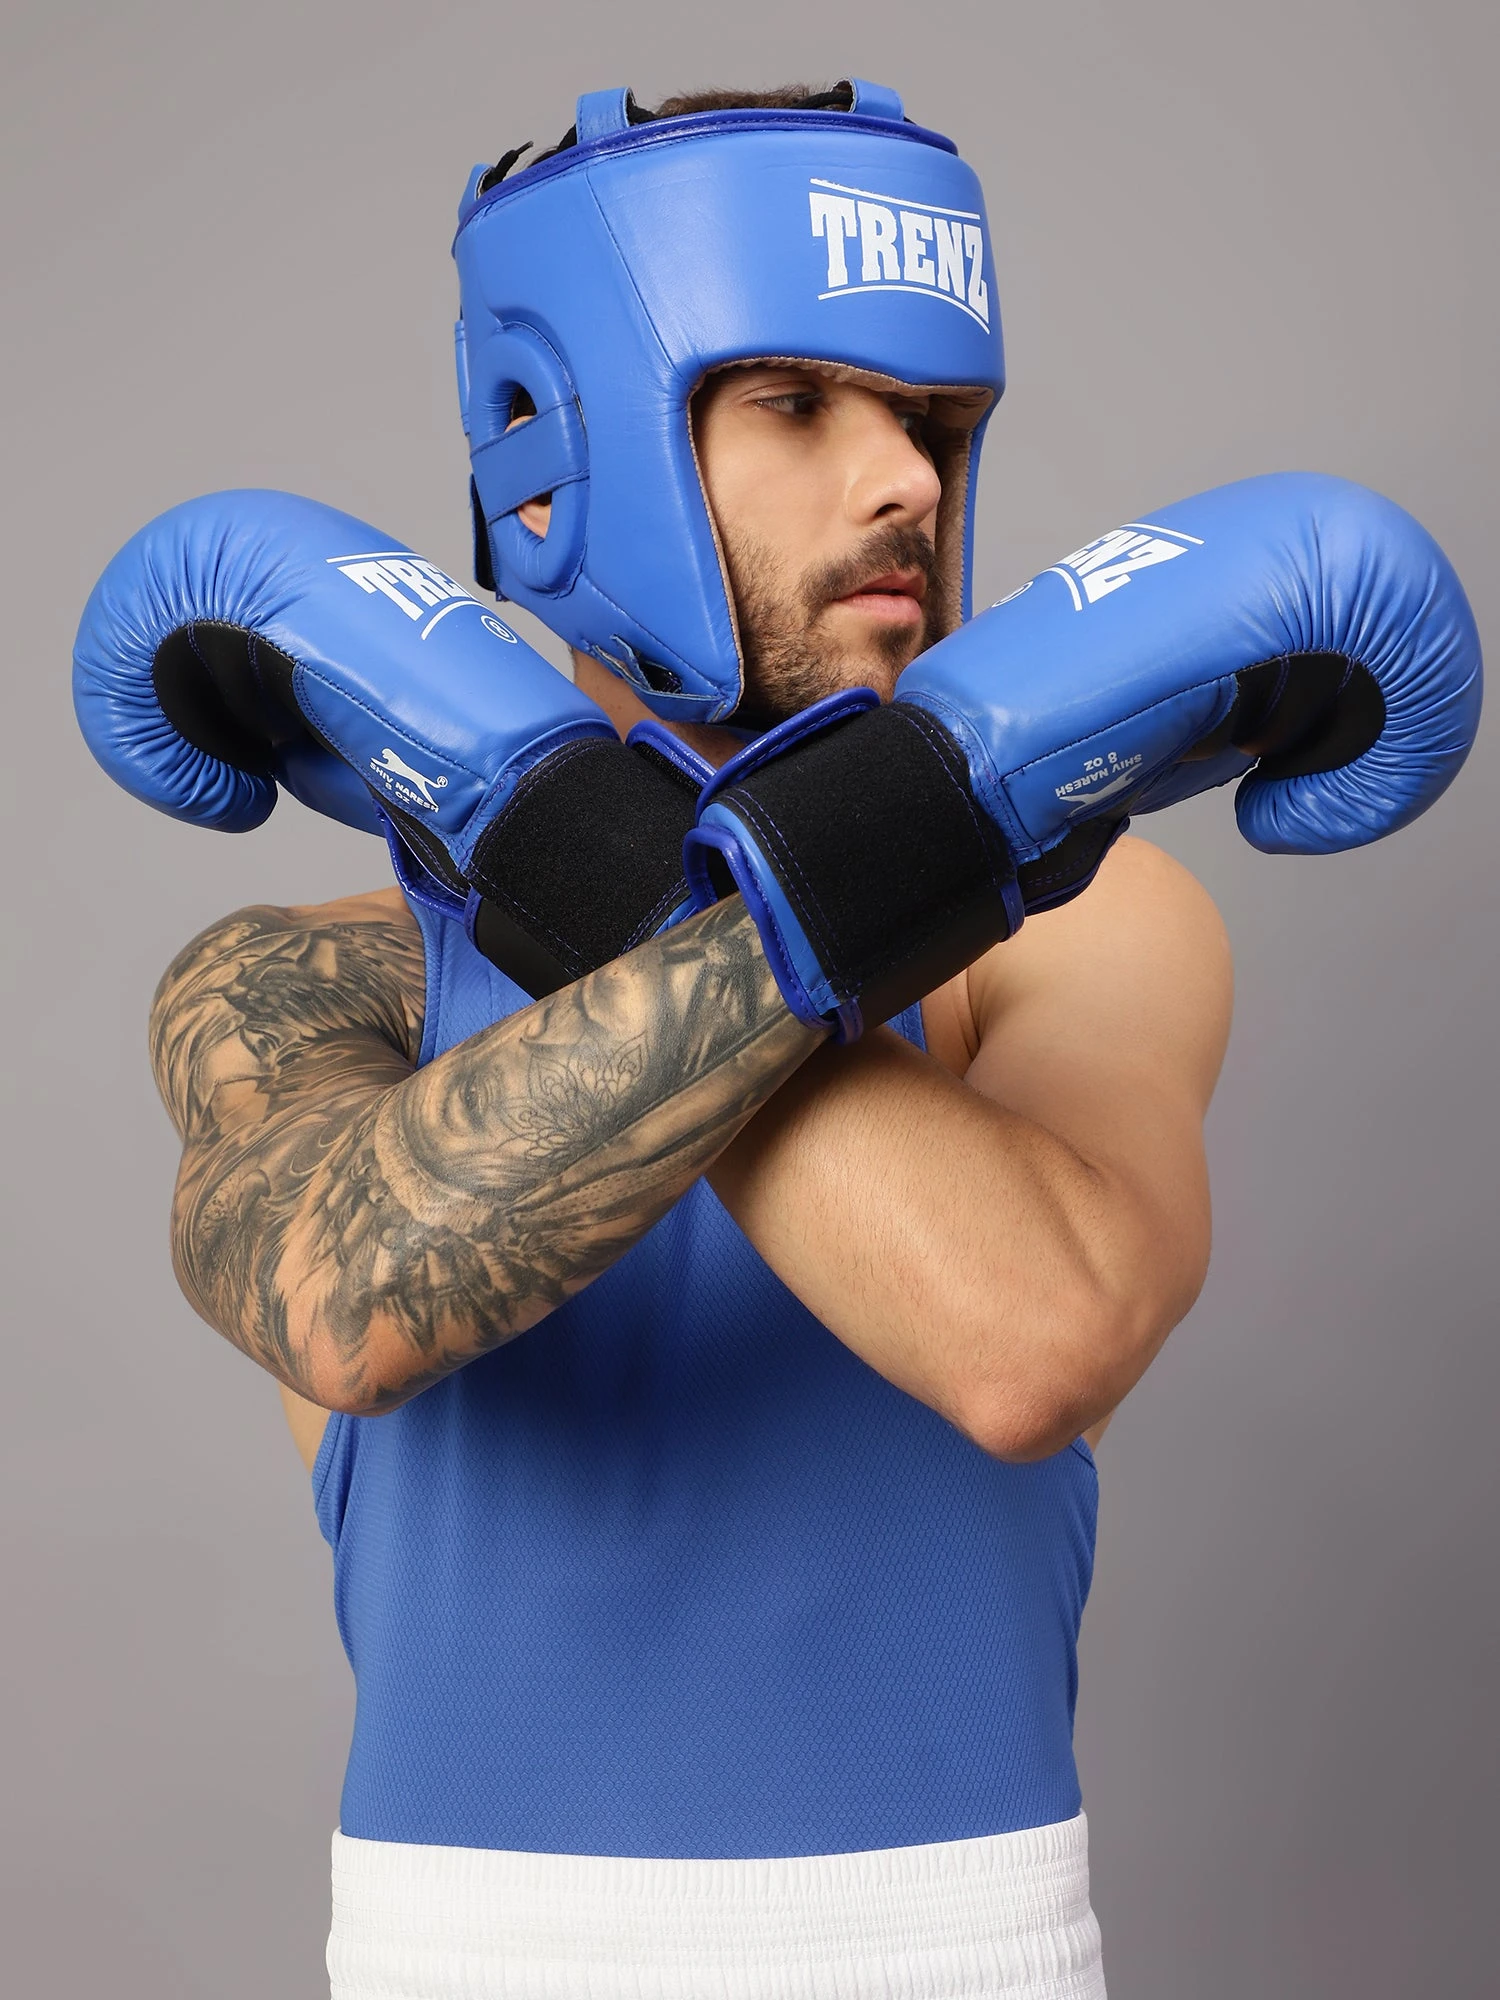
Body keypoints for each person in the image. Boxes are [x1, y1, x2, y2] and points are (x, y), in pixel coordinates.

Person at [91, 78, 1475, 2000]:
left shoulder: (1087, 927)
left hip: (956, 1946)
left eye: (933, 421)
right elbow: (347, 1297)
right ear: (556, 458)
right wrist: (661, 844)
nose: (906, 480)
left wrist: (651, 854)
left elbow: (1028, 1342)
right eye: (802, 405)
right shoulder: (319, 973)